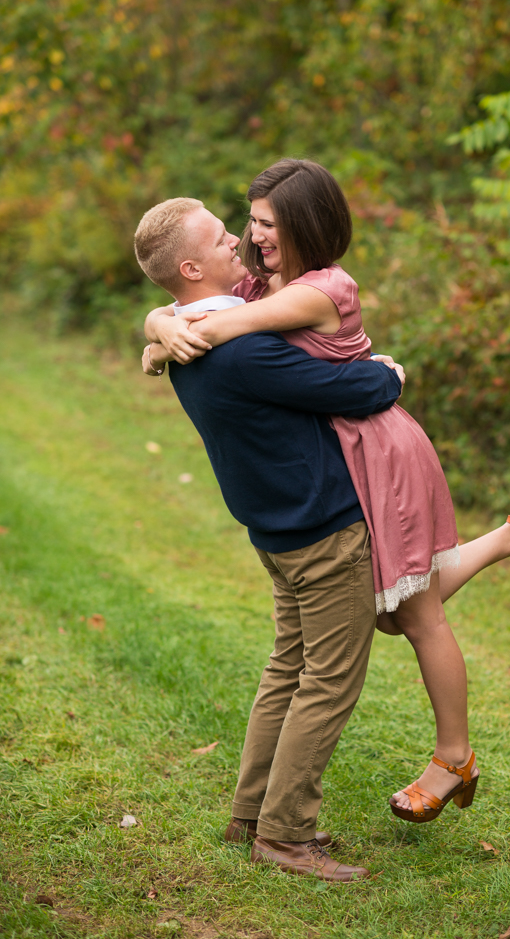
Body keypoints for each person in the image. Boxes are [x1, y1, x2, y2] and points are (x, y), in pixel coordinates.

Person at [142, 160, 510, 826]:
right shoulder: (256, 283)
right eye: (244, 223)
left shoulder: (318, 289)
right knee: (399, 603)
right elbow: (196, 298)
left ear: (300, 226)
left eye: (263, 223)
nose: (247, 235)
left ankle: (452, 756)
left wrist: (175, 329)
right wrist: (159, 323)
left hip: (379, 446)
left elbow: (227, 327)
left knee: (412, 610)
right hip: (350, 448)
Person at [134, 195, 405, 881]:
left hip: (276, 531)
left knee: (288, 669)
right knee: (327, 683)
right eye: (223, 239)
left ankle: (250, 815)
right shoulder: (243, 349)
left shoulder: (189, 334)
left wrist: (157, 323)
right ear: (191, 266)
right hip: (321, 530)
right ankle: (285, 837)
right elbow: (357, 390)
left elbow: (169, 319)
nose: (240, 244)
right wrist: (390, 372)